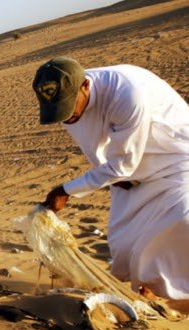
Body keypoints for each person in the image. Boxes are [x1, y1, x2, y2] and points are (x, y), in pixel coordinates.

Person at [32, 57, 189, 300]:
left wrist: (66, 190)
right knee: (126, 239)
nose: (68, 117)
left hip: (175, 156)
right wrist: (110, 172)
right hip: (130, 164)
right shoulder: (69, 104)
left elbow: (124, 164)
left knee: (178, 222)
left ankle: (167, 290)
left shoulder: (127, 95)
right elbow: (95, 146)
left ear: (85, 86)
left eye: (68, 107)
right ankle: (147, 283)